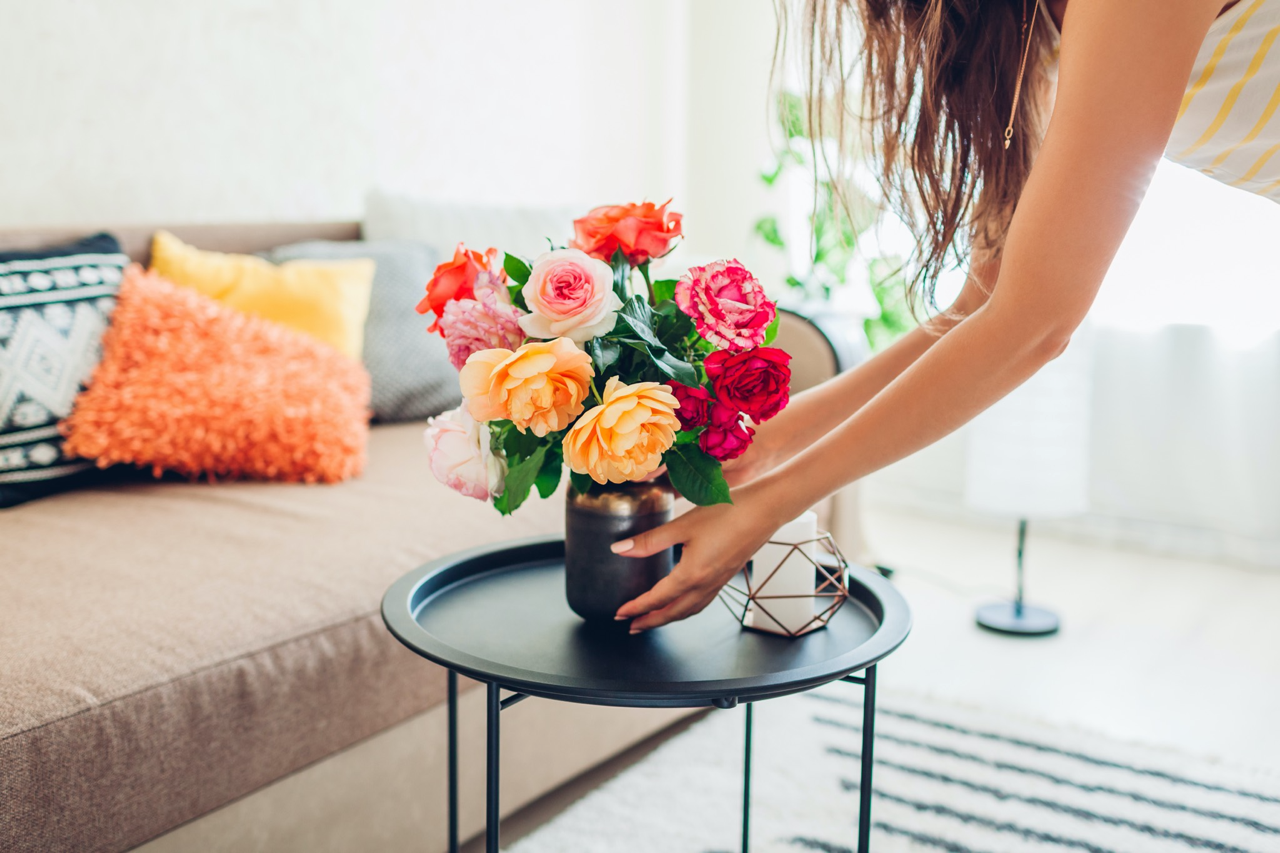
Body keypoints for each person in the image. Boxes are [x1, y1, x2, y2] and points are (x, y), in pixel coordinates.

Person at [614, 0, 1280, 631]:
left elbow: (1036, 324)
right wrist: (770, 441)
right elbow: (981, 306)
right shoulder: (1024, 28)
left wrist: (769, 502)